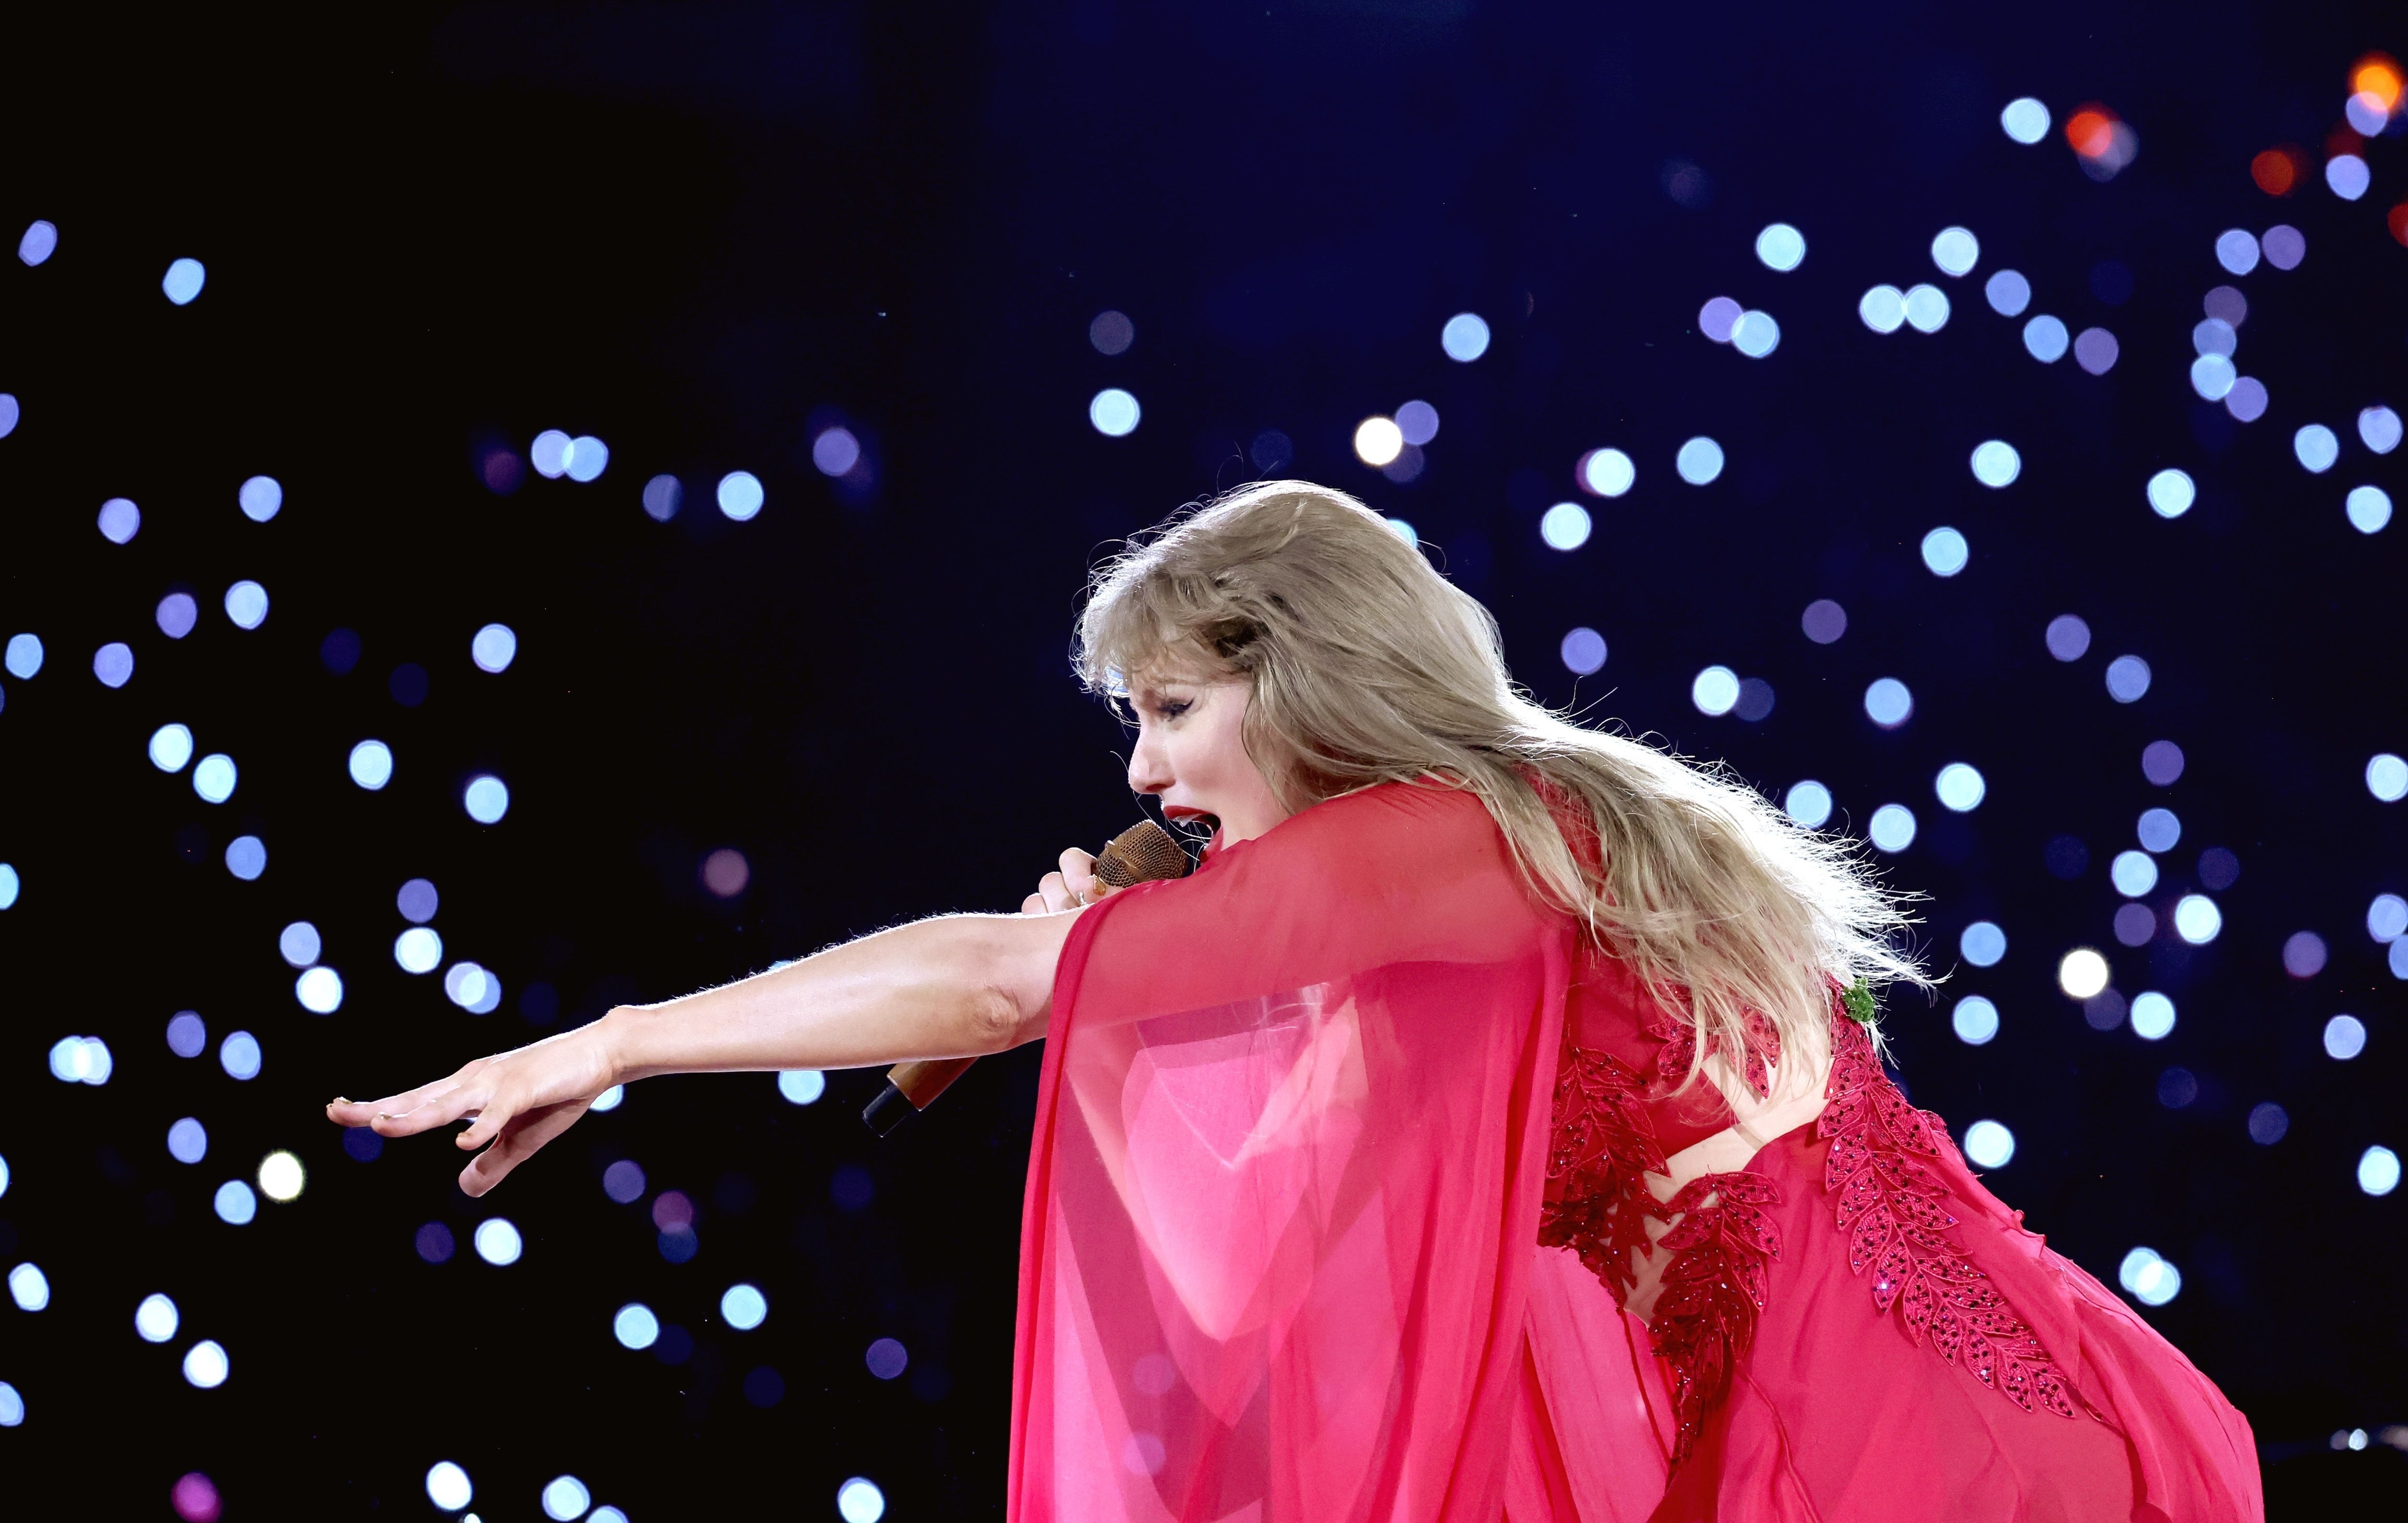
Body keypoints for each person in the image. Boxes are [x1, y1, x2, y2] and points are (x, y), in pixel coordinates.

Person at [330, 482, 2262, 1522]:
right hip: (1997, 1407)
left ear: (1308, 675)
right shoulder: (1526, 835)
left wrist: (613, 1040)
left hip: (1894, 1462)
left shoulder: (1436, 839)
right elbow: (1306, 1229)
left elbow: (1002, 984)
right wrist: (1137, 987)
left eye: (1178, 709)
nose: (1152, 773)